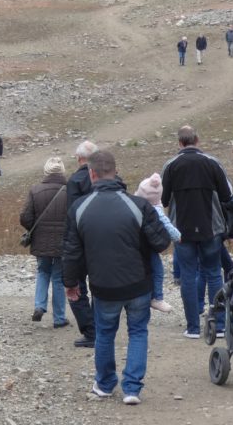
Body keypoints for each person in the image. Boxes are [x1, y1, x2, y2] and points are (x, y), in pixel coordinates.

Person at [63, 150, 170, 405]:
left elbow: (71, 252)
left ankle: (105, 384)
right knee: (138, 332)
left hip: (103, 286)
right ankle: (132, 388)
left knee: (105, 333)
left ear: (92, 174)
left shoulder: (79, 207)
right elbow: (161, 242)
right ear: (115, 171)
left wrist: (70, 283)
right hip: (138, 284)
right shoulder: (138, 205)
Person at [161, 125, 231, 339]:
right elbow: (226, 195)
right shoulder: (212, 163)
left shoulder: (171, 165)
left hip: (181, 230)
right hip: (211, 228)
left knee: (188, 276)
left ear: (179, 143)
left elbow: (163, 200)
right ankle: (219, 325)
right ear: (197, 140)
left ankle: (192, 327)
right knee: (213, 273)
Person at [19, 157, 69, 328]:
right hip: (63, 242)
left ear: (46, 171)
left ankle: (39, 306)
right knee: (58, 278)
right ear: (62, 171)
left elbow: (25, 217)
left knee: (42, 272)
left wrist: (35, 228)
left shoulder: (35, 190)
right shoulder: (70, 191)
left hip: (41, 240)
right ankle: (59, 318)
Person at [65, 140, 98, 347]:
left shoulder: (75, 181)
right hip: (104, 240)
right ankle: (100, 328)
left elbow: (72, 214)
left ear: (78, 159)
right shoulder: (109, 178)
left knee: (76, 287)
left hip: (81, 241)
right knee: (100, 286)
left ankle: (90, 330)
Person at [135, 173, 177, 313]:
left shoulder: (133, 204)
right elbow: (167, 225)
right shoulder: (156, 210)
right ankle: (157, 297)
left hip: (135, 245)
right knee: (158, 270)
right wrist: (179, 236)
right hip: (150, 247)